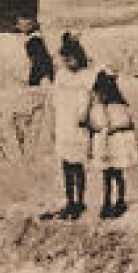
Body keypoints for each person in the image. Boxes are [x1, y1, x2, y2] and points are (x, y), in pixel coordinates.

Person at [45, 32, 94, 219]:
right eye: (65, 59)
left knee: (77, 163)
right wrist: (55, 124)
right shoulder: (61, 76)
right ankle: (70, 200)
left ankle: (80, 201)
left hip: (78, 123)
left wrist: (83, 116)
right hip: (64, 122)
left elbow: (87, 99)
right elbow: (56, 100)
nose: (68, 62)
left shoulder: (85, 76)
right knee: (65, 163)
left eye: (71, 58)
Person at [86, 70, 138, 219]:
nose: (100, 97)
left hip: (116, 145)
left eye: (102, 94)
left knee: (117, 174)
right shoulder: (97, 108)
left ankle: (120, 201)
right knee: (106, 175)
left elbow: (126, 123)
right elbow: (94, 125)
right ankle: (107, 202)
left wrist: (113, 128)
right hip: (105, 146)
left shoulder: (119, 107)